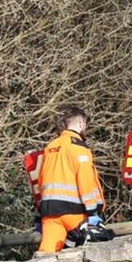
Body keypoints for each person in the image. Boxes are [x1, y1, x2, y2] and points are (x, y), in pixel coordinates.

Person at [36, 106, 107, 253]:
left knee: (46, 254)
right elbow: (86, 180)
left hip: (50, 212)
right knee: (94, 250)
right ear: (81, 124)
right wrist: (93, 212)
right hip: (75, 212)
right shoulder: (79, 148)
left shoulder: (50, 147)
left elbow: (41, 179)